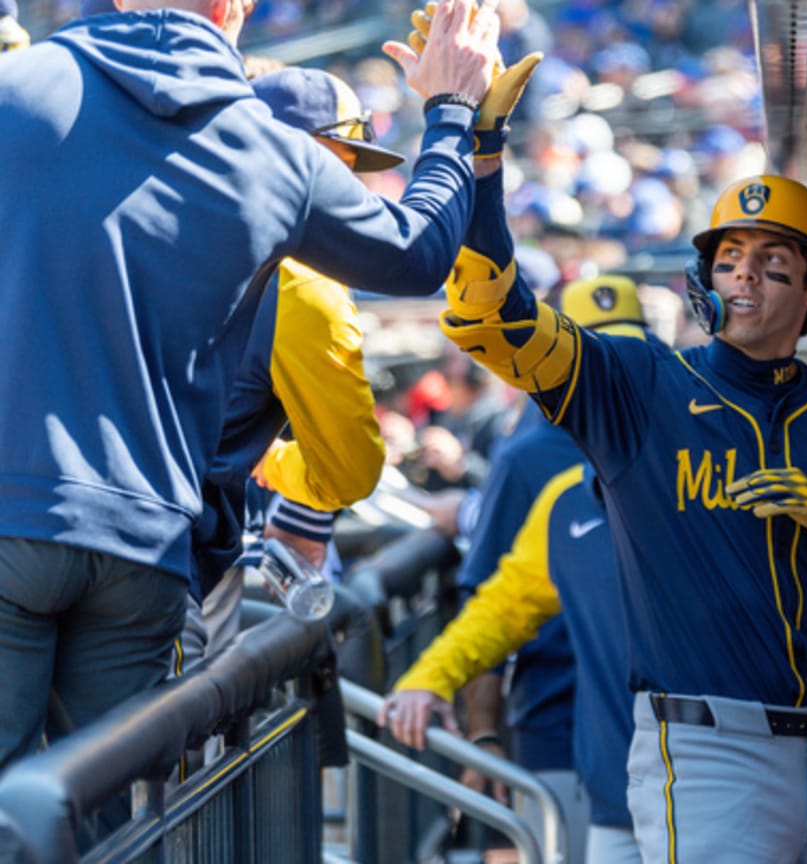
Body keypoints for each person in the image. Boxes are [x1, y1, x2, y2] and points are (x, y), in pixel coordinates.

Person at [388, 169, 807, 862]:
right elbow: (501, 319)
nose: (744, 278)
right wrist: (481, 169)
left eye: (772, 264)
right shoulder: (642, 386)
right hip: (709, 751)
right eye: (728, 260)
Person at [0, 0, 508, 771]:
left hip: (15, 507)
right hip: (150, 546)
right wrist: (451, 111)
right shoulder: (270, 149)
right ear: (235, 8)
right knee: (107, 825)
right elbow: (419, 252)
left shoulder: (16, 86)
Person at [182, 67, 406, 673]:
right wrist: (275, 462)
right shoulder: (302, 282)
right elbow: (349, 474)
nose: (354, 188)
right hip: (159, 561)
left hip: (41, 526)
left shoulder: (161, 223)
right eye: (337, 162)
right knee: (145, 758)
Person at [446, 275, 654, 864]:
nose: (612, 367)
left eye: (627, 349)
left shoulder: (666, 436)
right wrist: (484, 736)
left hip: (669, 729)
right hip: (555, 725)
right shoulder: (527, 456)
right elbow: (484, 596)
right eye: (595, 350)